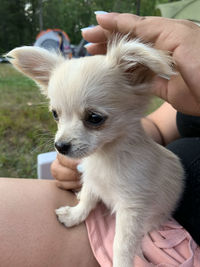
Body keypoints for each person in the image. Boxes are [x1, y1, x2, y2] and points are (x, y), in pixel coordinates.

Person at [0, 12, 200, 266]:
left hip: (159, 226)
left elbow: (131, 210)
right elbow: (95, 175)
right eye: (57, 114)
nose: (63, 138)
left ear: (137, 77)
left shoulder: (135, 166)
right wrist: (81, 209)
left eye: (93, 118)